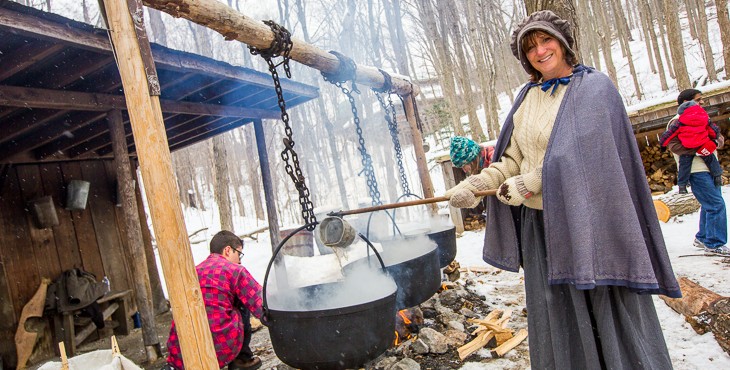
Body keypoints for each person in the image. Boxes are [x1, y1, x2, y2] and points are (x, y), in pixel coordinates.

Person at [445, 10, 680, 369]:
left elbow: (591, 159)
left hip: (590, 223)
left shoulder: (594, 88)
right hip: (542, 228)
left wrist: (533, 181)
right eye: (530, 48)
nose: (540, 51)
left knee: (604, 304)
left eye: (545, 40)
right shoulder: (527, 99)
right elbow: (512, 158)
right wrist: (478, 184)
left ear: (563, 42)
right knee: (558, 312)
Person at [164, 231, 263, 370]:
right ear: (228, 250)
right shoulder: (235, 270)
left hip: (183, 345)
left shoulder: (193, 270)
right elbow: (259, 302)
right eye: (239, 254)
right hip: (220, 341)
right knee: (243, 300)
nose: (240, 260)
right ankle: (242, 359)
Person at [665, 89, 729, 255]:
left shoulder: (701, 118)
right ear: (686, 102)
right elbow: (674, 146)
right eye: (698, 99)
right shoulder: (677, 122)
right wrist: (698, 148)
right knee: (716, 205)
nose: (702, 102)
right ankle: (714, 244)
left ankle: (703, 237)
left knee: (710, 204)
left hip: (711, 168)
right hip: (696, 170)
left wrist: (712, 142)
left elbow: (718, 139)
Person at [660, 99, 723, 194]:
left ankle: (682, 186)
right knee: (712, 160)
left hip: (688, 147)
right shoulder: (704, 118)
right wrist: (715, 139)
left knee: (684, 166)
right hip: (702, 145)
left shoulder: (679, 122)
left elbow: (669, 134)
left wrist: (663, 144)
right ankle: (718, 177)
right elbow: (713, 130)